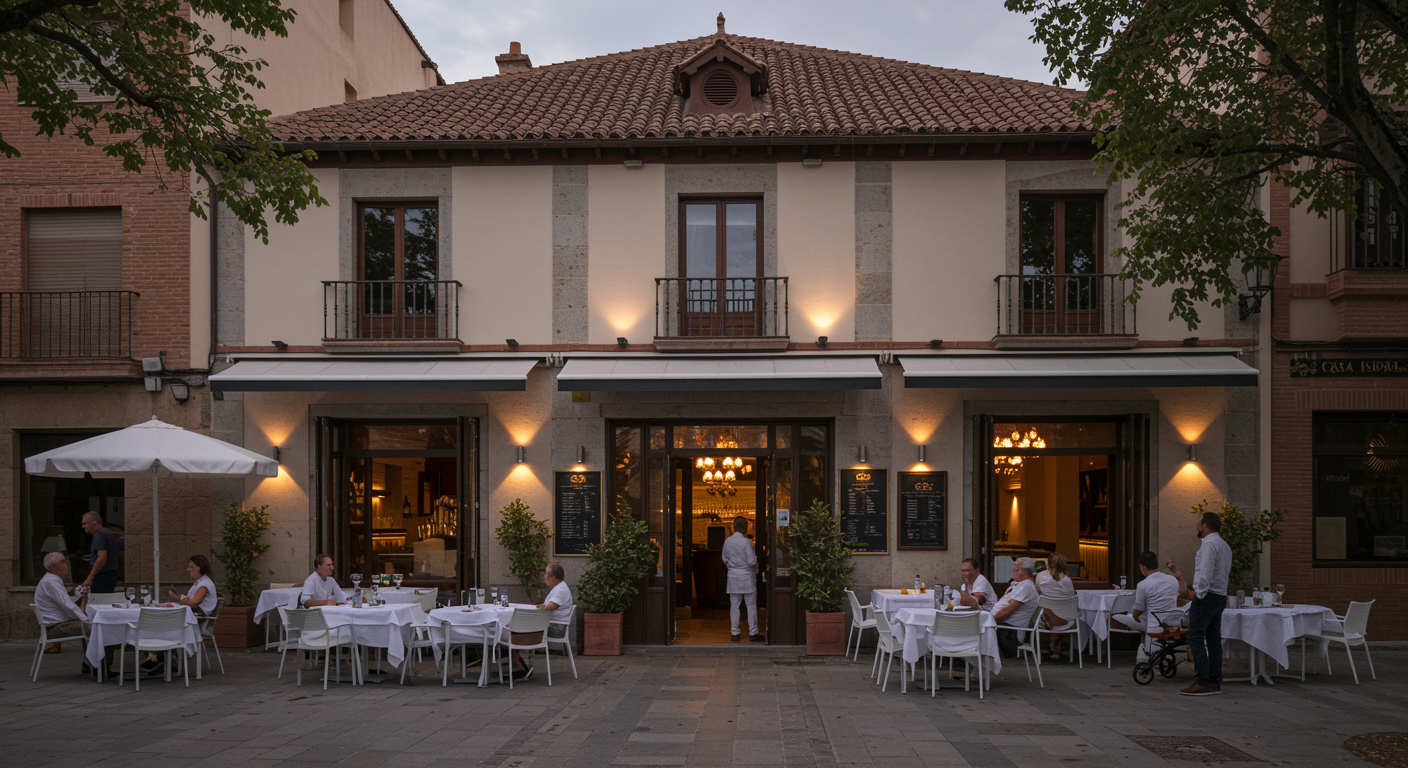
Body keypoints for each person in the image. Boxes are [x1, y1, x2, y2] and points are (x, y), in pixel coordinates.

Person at [1182, 511, 1232, 696]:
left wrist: (1199, 595)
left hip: (1208, 595)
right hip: (1219, 595)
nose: (1197, 524)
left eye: (1198, 521)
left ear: (1204, 525)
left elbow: (1206, 573)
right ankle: (1214, 681)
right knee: (1212, 639)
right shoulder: (1223, 544)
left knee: (1194, 636)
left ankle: (1202, 681)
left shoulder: (1210, 544)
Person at [510, 562, 574, 680]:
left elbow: (549, 607)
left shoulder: (561, 590)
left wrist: (538, 607)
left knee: (516, 628)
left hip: (555, 628)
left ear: (553, 576)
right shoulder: (559, 588)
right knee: (516, 628)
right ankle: (518, 661)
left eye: (545, 573)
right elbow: (546, 606)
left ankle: (520, 664)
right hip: (552, 625)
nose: (544, 576)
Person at [35, 551, 88, 657]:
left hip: (54, 625)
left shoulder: (51, 580)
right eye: (64, 562)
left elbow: (64, 602)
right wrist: (86, 620)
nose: (67, 565)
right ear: (58, 564)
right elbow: (67, 605)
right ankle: (97, 665)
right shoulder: (51, 582)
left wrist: (78, 595)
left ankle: (90, 663)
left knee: (92, 627)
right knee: (96, 628)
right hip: (55, 627)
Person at [721, 516, 763, 642]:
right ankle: (753, 632)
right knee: (750, 605)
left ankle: (735, 632)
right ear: (745, 527)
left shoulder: (728, 541)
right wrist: (756, 570)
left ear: (734, 527)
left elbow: (724, 559)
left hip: (733, 576)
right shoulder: (746, 542)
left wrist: (732, 567)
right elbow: (751, 561)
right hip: (746, 576)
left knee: (734, 605)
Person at [991, 557, 1040, 657]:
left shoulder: (1026, 587)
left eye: (1017, 569)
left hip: (1010, 632)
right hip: (1003, 627)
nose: (1014, 571)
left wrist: (989, 621)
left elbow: (1006, 612)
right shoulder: (1019, 585)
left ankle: (964, 658)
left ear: (1026, 571)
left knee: (974, 629)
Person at [1035, 553, 1076, 660]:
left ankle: (1053, 648)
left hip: (1046, 621)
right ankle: (1056, 649)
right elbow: (1070, 596)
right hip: (1066, 620)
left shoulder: (1040, 577)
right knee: (1061, 612)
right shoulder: (1067, 581)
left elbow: (1038, 592)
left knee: (1048, 610)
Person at [78, 512, 120, 595]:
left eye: (85, 523)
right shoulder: (107, 532)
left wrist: (90, 578)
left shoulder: (99, 535)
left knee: (99, 602)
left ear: (94, 522)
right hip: (110, 573)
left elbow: (102, 557)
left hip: (103, 575)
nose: (83, 526)